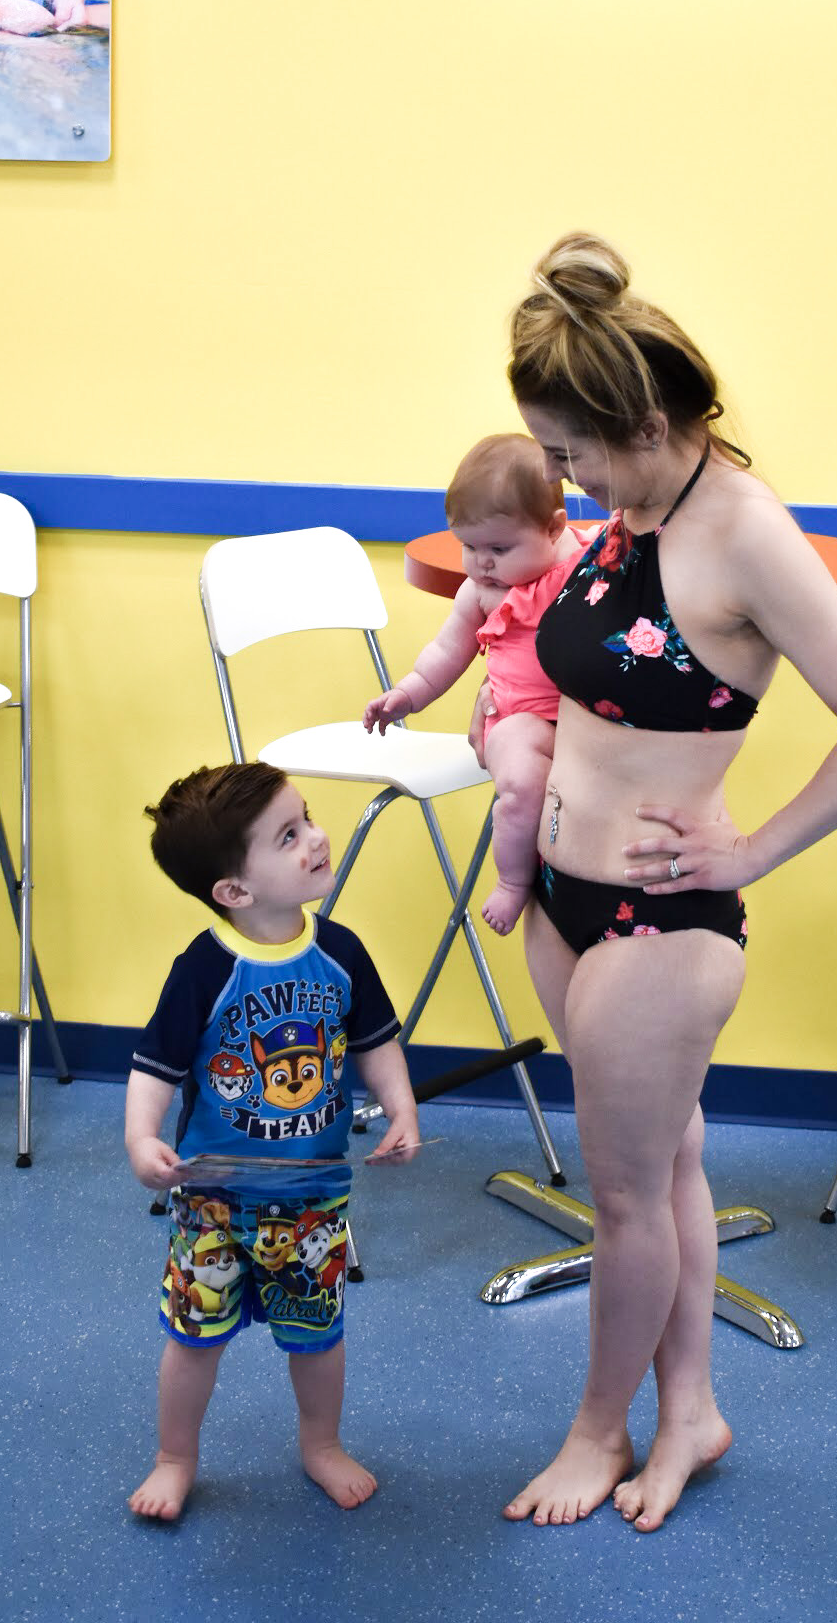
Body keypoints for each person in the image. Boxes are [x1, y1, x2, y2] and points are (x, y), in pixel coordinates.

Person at [495, 233, 837, 1533]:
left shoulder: (743, 533)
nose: (557, 479)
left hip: (657, 919)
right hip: (568, 905)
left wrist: (749, 850)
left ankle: (594, 1432)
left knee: (621, 1200)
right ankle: (689, 1416)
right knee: (665, 1170)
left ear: (640, 421)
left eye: (568, 453)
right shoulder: (632, 511)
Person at [125, 762, 419, 1522]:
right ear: (234, 892)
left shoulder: (341, 952)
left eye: (307, 818)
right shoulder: (205, 968)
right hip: (213, 1199)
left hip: (312, 1198)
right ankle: (174, 1456)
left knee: (317, 1337)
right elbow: (154, 1064)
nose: (317, 838)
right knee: (195, 1339)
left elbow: (376, 1040)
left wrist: (401, 1107)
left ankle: (320, 1445)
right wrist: (139, 1137)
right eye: (289, 836)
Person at [364, 433, 585, 934]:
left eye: (500, 547)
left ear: (555, 529)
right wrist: (407, 694)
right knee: (521, 786)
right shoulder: (481, 593)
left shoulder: (583, 562)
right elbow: (445, 653)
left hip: (584, 717)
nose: (482, 562)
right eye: (470, 546)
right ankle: (512, 880)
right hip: (518, 717)